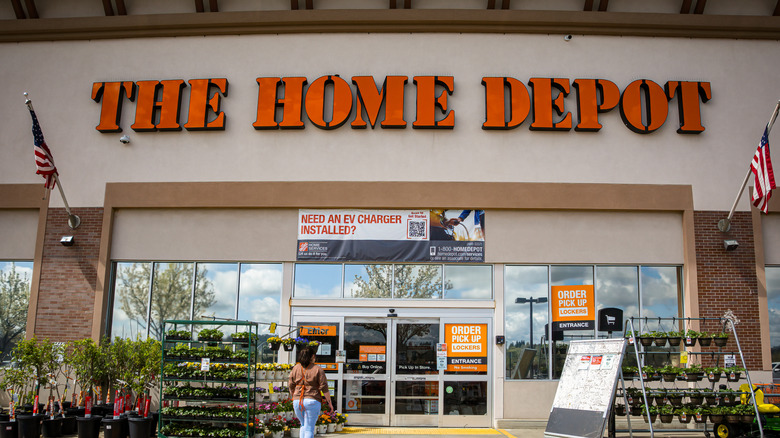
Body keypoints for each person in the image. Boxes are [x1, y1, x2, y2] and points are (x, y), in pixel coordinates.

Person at [288, 347, 334, 438]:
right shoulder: (318, 369)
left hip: (297, 401)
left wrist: (294, 396)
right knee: (309, 428)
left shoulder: (296, 368)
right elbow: (324, 387)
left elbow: (291, 385)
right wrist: (329, 403)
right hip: (312, 400)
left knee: (303, 425)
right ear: (312, 356)